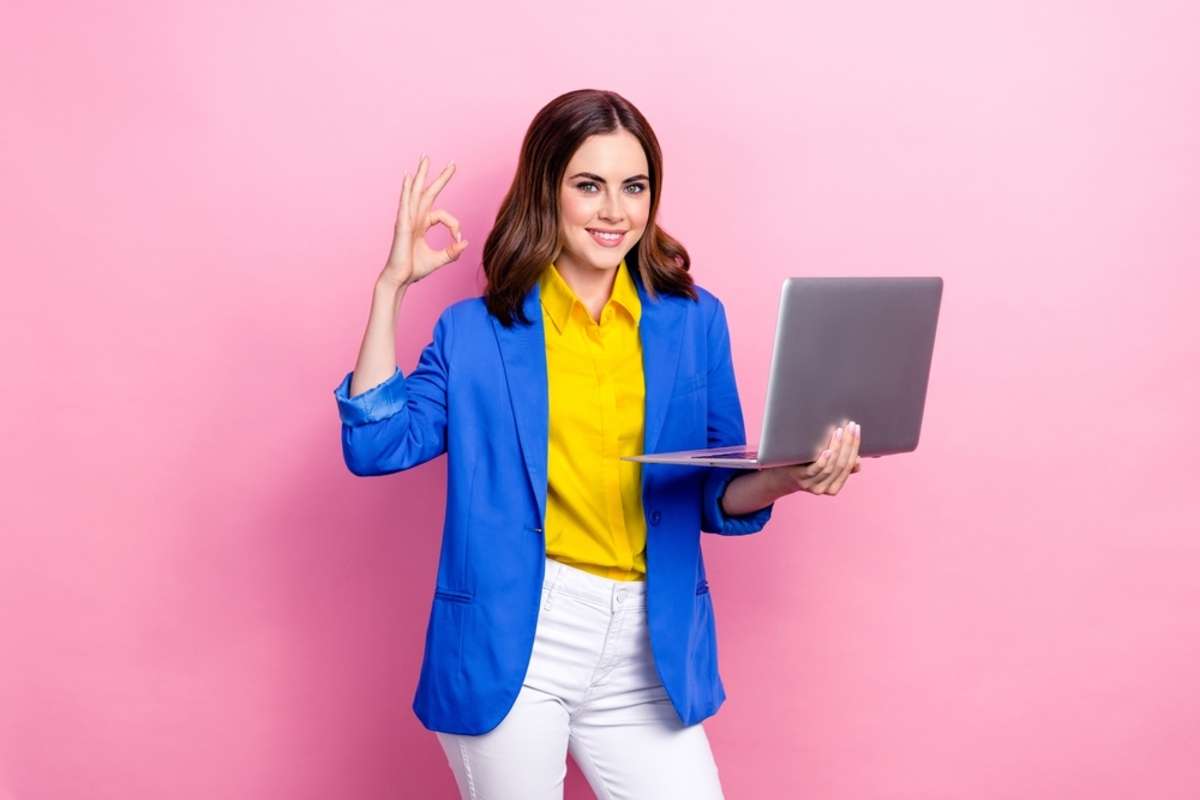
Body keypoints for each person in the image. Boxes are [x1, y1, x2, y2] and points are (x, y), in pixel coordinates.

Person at [333, 89, 862, 799]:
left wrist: (790, 474)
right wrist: (391, 287)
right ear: (547, 192)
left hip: (647, 639)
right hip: (515, 638)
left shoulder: (694, 321)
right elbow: (378, 447)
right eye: (590, 186)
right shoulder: (474, 333)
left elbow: (715, 487)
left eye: (634, 187)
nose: (616, 211)